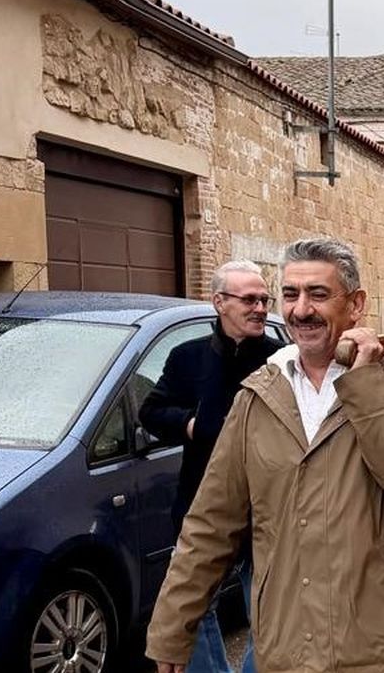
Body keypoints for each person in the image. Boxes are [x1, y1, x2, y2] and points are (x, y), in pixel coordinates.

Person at [147, 238, 384, 673]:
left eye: (318, 295)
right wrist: (173, 628)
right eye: (290, 294)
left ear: (356, 304)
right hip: (286, 648)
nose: (301, 310)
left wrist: (363, 384)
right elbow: (212, 521)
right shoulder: (258, 395)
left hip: (382, 651)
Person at [138, 261, 279, 673]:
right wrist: (192, 423)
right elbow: (152, 410)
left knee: (269, 617)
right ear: (219, 302)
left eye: (263, 300)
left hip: (266, 509)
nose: (259, 308)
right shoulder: (188, 357)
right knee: (190, 611)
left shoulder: (280, 360)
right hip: (202, 503)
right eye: (249, 299)